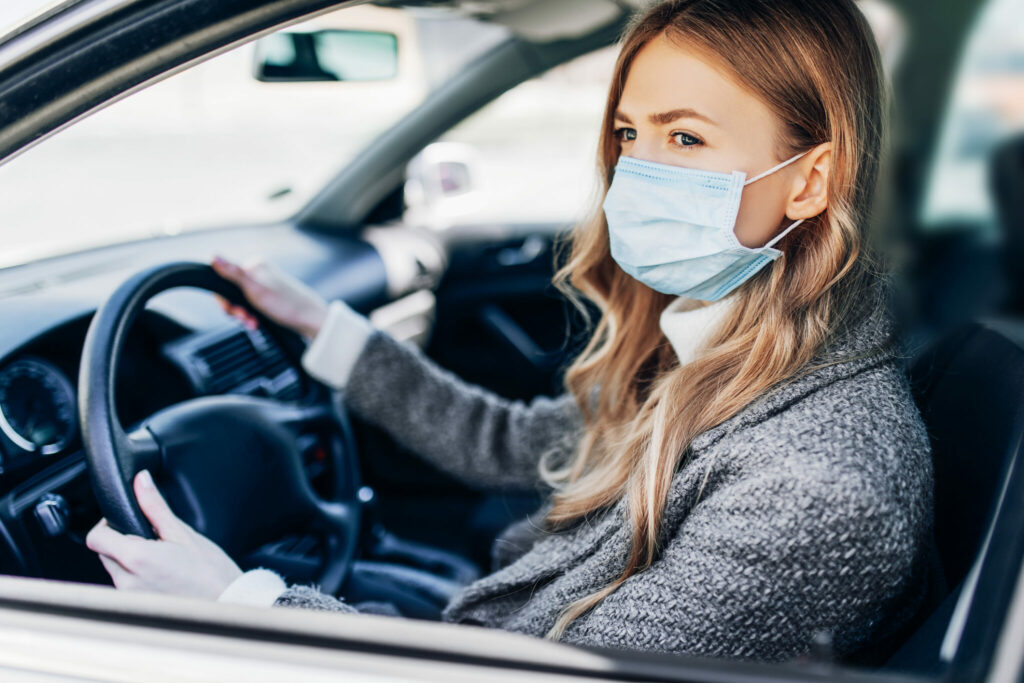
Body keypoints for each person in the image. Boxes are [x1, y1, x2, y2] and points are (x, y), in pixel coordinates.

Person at [85, 0, 934, 663]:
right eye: (629, 135)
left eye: (686, 137)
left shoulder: (818, 486)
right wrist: (326, 330)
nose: (637, 174)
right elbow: (514, 443)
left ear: (811, 180)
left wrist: (242, 608)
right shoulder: (717, 342)